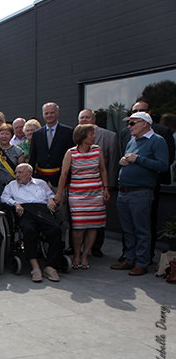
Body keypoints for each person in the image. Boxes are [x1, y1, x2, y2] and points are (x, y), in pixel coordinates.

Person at [111, 112, 169, 276]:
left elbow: (163, 166)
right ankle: (130, 259)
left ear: (144, 123)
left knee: (141, 229)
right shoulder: (132, 141)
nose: (129, 127)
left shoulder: (157, 141)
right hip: (124, 192)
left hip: (140, 192)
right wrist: (122, 162)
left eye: (132, 123)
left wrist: (138, 159)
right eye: (129, 123)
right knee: (128, 229)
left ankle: (142, 262)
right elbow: (129, 160)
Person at [54, 124, 109, 270]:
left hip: (96, 194)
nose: (94, 137)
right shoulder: (71, 153)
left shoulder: (98, 150)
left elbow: (103, 169)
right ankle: (77, 255)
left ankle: (85, 255)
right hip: (77, 195)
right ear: (83, 136)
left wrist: (106, 188)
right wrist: (59, 193)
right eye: (91, 134)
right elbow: (64, 174)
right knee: (78, 227)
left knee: (93, 226)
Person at [0, 164, 62, 283]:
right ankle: (35, 267)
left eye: (20, 172)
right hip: (24, 210)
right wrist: (15, 204)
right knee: (28, 230)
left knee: (56, 229)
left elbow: (51, 195)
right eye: (16, 172)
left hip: (42, 210)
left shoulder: (41, 183)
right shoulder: (12, 185)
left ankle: (51, 267)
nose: (17, 175)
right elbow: (4, 198)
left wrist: (50, 200)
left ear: (29, 173)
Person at [77, 109, 120, 258]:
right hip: (78, 187)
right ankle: (77, 247)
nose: (84, 120)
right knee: (78, 218)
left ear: (94, 120)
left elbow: (113, 163)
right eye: (82, 118)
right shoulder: (74, 136)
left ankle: (96, 246)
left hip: (99, 186)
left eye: (87, 117)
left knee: (97, 218)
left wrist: (109, 186)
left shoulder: (109, 136)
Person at [28, 102, 74, 187]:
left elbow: (71, 157)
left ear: (57, 113)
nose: (49, 115)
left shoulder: (67, 132)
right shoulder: (36, 134)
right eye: (46, 113)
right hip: (40, 179)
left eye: (52, 112)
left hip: (59, 179)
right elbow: (32, 157)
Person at [0, 123, 25, 195]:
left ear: (11, 135)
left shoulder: (18, 151)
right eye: (2, 133)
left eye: (7, 134)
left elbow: (22, 171)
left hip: (14, 186)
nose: (4, 136)